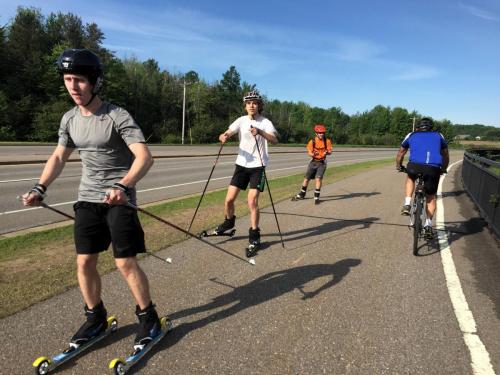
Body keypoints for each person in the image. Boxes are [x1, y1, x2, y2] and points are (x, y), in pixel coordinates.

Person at [22, 49, 161, 352]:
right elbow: (59, 156)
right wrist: (40, 187)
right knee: (84, 261)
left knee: (125, 262)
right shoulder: (69, 119)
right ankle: (95, 317)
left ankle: (148, 317)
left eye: (80, 80)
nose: (73, 86)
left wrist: (123, 185)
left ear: (95, 82)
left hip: (118, 198)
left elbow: (144, 157)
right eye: (68, 79)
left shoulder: (116, 116)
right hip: (87, 197)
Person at [217, 90, 278, 256]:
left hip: (258, 167)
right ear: (245, 106)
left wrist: (260, 132)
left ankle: (254, 235)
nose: (252, 105)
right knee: (229, 200)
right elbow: (230, 131)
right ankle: (229, 223)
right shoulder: (241, 120)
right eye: (249, 103)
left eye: (255, 103)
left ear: (259, 105)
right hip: (241, 165)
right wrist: (225, 135)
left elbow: (274, 139)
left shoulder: (265, 122)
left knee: (252, 201)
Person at [396, 117, 449, 239]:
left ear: (418, 127)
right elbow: (445, 154)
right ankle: (428, 226)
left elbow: (401, 152)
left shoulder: (411, 134)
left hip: (414, 166)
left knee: (410, 177)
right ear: (431, 128)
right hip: (433, 168)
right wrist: (444, 168)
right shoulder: (438, 135)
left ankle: (407, 203)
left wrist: (399, 166)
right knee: (430, 197)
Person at [294, 124, 333, 204]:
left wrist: (327, 152)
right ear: (316, 133)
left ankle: (316, 197)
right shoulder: (312, 142)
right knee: (306, 178)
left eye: (323, 133)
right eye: (319, 133)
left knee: (318, 179)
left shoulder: (327, 141)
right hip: (313, 162)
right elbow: (309, 153)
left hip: (322, 163)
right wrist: (313, 154)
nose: (321, 134)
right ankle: (302, 194)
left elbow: (330, 151)